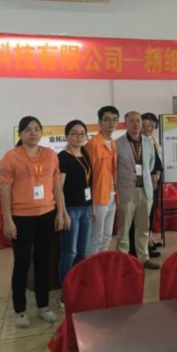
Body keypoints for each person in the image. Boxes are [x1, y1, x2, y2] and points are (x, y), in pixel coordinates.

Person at [0, 116, 66, 328]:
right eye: (28, 129)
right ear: (21, 133)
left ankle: (43, 306)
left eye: (37, 129)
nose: (33, 133)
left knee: (43, 261)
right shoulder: (11, 157)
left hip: (46, 214)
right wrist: (8, 220)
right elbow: (4, 190)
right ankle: (20, 310)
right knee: (22, 262)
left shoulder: (50, 155)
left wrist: (60, 212)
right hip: (21, 217)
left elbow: (57, 186)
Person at [116, 111, 160, 270]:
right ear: (125, 124)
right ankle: (122, 260)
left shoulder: (148, 143)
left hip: (145, 191)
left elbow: (151, 164)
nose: (135, 124)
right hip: (126, 191)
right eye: (132, 121)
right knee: (124, 230)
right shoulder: (117, 144)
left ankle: (143, 258)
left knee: (143, 228)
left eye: (138, 121)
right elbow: (113, 168)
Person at [58, 120, 94, 295]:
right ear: (66, 136)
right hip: (71, 209)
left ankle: (80, 285)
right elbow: (58, 188)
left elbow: (89, 183)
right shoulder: (63, 157)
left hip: (86, 208)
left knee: (82, 251)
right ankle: (67, 290)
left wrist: (92, 207)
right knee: (70, 251)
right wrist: (62, 212)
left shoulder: (84, 154)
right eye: (74, 133)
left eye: (82, 133)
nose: (78, 136)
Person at [128, 113, 163, 258]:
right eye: (145, 125)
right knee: (136, 220)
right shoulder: (132, 143)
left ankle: (145, 246)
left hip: (150, 184)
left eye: (151, 124)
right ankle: (135, 250)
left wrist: (156, 175)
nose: (149, 127)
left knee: (147, 217)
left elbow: (157, 162)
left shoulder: (150, 141)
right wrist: (151, 175)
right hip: (137, 186)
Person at [86, 106, 119, 255]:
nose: (111, 123)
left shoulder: (113, 142)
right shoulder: (92, 144)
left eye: (114, 120)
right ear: (99, 122)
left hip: (112, 195)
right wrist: (91, 202)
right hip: (98, 197)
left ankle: (101, 264)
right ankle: (90, 266)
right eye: (107, 119)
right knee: (96, 238)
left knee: (107, 236)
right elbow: (87, 176)